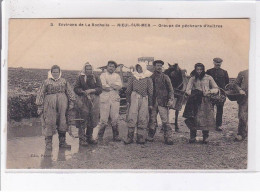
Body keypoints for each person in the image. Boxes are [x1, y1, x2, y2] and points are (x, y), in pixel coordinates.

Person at [36, 65, 75, 150]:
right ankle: (48, 144)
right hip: (50, 104)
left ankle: (62, 142)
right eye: (53, 72)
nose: (55, 74)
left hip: (62, 103)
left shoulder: (64, 81)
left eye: (57, 72)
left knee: (62, 122)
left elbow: (70, 92)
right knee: (49, 122)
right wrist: (40, 106)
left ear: (59, 72)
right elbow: (40, 94)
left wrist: (71, 102)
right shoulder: (46, 82)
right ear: (51, 73)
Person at [183, 63, 219, 144]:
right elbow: (187, 90)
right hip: (194, 101)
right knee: (193, 117)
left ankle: (205, 137)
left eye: (200, 69)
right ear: (195, 70)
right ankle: (192, 136)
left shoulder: (208, 77)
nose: (199, 71)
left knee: (206, 118)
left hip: (206, 101)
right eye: (197, 69)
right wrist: (194, 92)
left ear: (203, 70)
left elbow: (216, 88)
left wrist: (209, 91)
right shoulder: (192, 78)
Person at [74, 62, 102, 146]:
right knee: (83, 117)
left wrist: (92, 90)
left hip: (94, 99)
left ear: (92, 69)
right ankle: (82, 138)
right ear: (84, 69)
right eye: (87, 69)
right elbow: (76, 88)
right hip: (83, 99)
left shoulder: (96, 77)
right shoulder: (80, 77)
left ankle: (89, 137)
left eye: (90, 69)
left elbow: (100, 89)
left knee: (92, 117)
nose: (88, 71)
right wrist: (83, 92)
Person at [124, 63, 153, 144]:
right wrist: (128, 101)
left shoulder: (148, 78)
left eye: (141, 67)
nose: (139, 69)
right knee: (132, 116)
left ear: (143, 68)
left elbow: (150, 92)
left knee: (142, 117)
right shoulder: (133, 77)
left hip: (144, 99)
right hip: (134, 98)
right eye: (137, 68)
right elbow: (128, 90)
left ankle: (140, 137)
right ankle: (130, 137)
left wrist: (150, 104)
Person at [147, 60, 175, 145]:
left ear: (162, 67)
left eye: (160, 66)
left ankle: (168, 137)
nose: (159, 67)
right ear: (154, 67)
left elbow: (171, 90)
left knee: (165, 120)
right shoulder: (150, 77)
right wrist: (149, 103)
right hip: (153, 102)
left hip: (163, 102)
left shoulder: (165, 77)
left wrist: (170, 100)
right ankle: (150, 135)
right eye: (157, 65)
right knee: (152, 120)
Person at [97, 60, 123, 142]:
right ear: (107, 67)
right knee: (103, 119)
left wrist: (110, 85)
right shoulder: (103, 75)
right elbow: (103, 86)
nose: (111, 68)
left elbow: (120, 86)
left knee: (115, 117)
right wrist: (113, 86)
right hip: (105, 98)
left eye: (113, 66)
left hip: (115, 98)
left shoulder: (117, 76)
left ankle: (116, 136)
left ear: (115, 68)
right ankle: (100, 137)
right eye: (110, 66)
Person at [206, 57, 229, 131]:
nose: (217, 65)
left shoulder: (224, 72)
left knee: (220, 110)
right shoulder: (208, 71)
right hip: (211, 93)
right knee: (210, 109)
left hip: (221, 94)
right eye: (216, 63)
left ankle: (218, 125)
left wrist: (224, 92)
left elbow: (227, 83)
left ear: (221, 63)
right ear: (213, 63)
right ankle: (210, 124)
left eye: (219, 64)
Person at [234, 69, 248, 141]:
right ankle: (241, 134)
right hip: (245, 97)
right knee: (242, 116)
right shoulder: (243, 73)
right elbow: (236, 84)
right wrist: (240, 90)